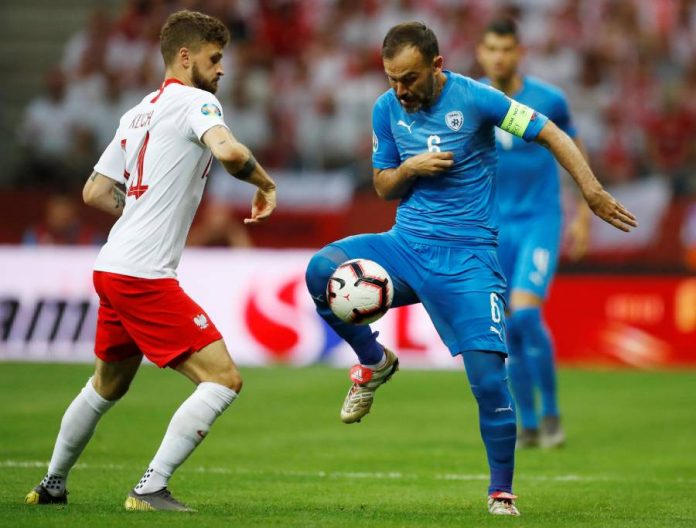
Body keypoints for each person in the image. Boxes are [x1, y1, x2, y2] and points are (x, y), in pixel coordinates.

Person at [304, 22, 636, 516]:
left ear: (437, 66)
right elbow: (383, 186)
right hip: (406, 247)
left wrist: (589, 191)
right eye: (392, 78)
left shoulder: (478, 100)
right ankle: (374, 361)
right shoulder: (385, 109)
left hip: (468, 262)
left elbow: (552, 133)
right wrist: (410, 170)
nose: (400, 90)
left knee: (487, 381)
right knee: (320, 269)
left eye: (409, 78)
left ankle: (501, 493)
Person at [25, 10, 277, 512]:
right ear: (185, 57)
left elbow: (95, 190)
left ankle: (52, 483)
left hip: (112, 264)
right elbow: (227, 153)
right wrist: (264, 184)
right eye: (215, 57)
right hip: (143, 273)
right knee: (224, 379)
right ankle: (150, 486)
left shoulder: (137, 111)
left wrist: (136, 209)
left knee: (107, 384)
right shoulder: (198, 103)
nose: (222, 68)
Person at [476, 18, 590, 449]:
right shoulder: (473, 100)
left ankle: (552, 413)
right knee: (506, 330)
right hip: (495, 228)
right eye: (491, 48)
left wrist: (581, 212)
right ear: (481, 52)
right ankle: (527, 424)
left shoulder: (549, 100)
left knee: (525, 314)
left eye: (506, 48)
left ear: (519, 52)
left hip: (540, 220)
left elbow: (574, 148)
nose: (499, 56)